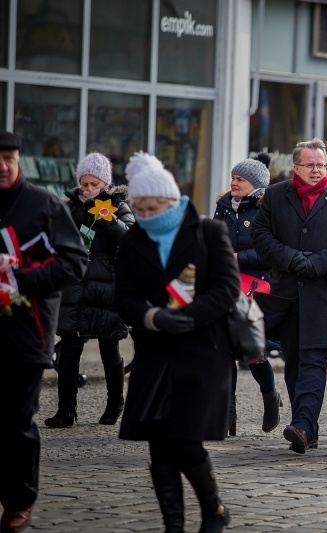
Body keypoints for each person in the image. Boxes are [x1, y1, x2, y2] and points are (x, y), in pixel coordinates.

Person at [115, 152, 240, 531]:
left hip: (202, 352)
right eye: (142, 207)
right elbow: (124, 298)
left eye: (156, 205)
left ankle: (214, 510)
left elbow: (227, 288)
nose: (150, 213)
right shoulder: (133, 239)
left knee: (185, 441)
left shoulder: (208, 231)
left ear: (173, 200)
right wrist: (153, 317)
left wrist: (188, 316)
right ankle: (173, 525)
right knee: (159, 445)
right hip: (154, 352)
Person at [250, 137, 327, 454]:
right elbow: (259, 234)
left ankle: (301, 424)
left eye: (321, 164)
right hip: (285, 294)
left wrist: (315, 263)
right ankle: (308, 429)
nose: (316, 170)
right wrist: (290, 258)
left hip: (326, 293)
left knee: (313, 360)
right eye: (310, 164)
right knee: (293, 363)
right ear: (296, 166)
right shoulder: (275, 195)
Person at [0, 131, 87, 532]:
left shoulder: (44, 205)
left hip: (25, 334)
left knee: (16, 421)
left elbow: (73, 262)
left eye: (9, 157)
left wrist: (18, 279)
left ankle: (18, 501)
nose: (3, 166)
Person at [43, 153, 134, 429]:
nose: (87, 189)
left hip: (106, 284)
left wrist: (107, 218)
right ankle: (65, 411)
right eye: (84, 183)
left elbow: (130, 238)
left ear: (105, 183)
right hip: (75, 285)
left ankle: (115, 403)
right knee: (70, 348)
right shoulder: (70, 206)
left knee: (110, 347)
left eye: (93, 183)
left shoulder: (118, 205)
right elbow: (56, 236)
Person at [214, 153, 282, 437]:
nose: (233, 182)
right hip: (227, 286)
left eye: (239, 179)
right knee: (225, 351)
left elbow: (274, 251)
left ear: (254, 184)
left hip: (257, 287)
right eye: (232, 177)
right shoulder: (222, 206)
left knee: (254, 350)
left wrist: (237, 257)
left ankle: (270, 397)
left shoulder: (269, 208)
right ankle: (227, 414)